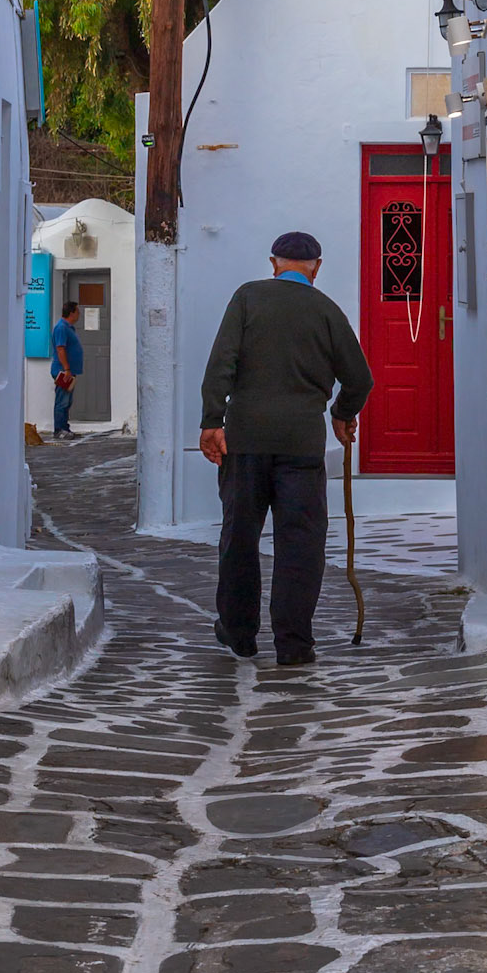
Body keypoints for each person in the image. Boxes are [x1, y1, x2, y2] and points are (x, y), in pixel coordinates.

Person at [200, 230, 373, 667]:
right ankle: (294, 643)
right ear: (316, 267)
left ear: (273, 262)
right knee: (301, 543)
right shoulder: (326, 309)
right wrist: (341, 412)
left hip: (245, 441)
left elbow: (222, 362)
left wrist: (210, 421)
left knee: (240, 536)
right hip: (301, 444)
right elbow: (359, 378)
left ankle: (239, 633)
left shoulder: (247, 298)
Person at [50, 299, 84, 438]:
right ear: (71, 313)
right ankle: (59, 430)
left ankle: (65, 427)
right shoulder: (61, 328)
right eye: (77, 312)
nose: (79, 315)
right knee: (62, 401)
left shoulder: (69, 327)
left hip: (69, 371)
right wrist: (67, 369)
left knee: (67, 401)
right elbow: (60, 348)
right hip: (63, 371)